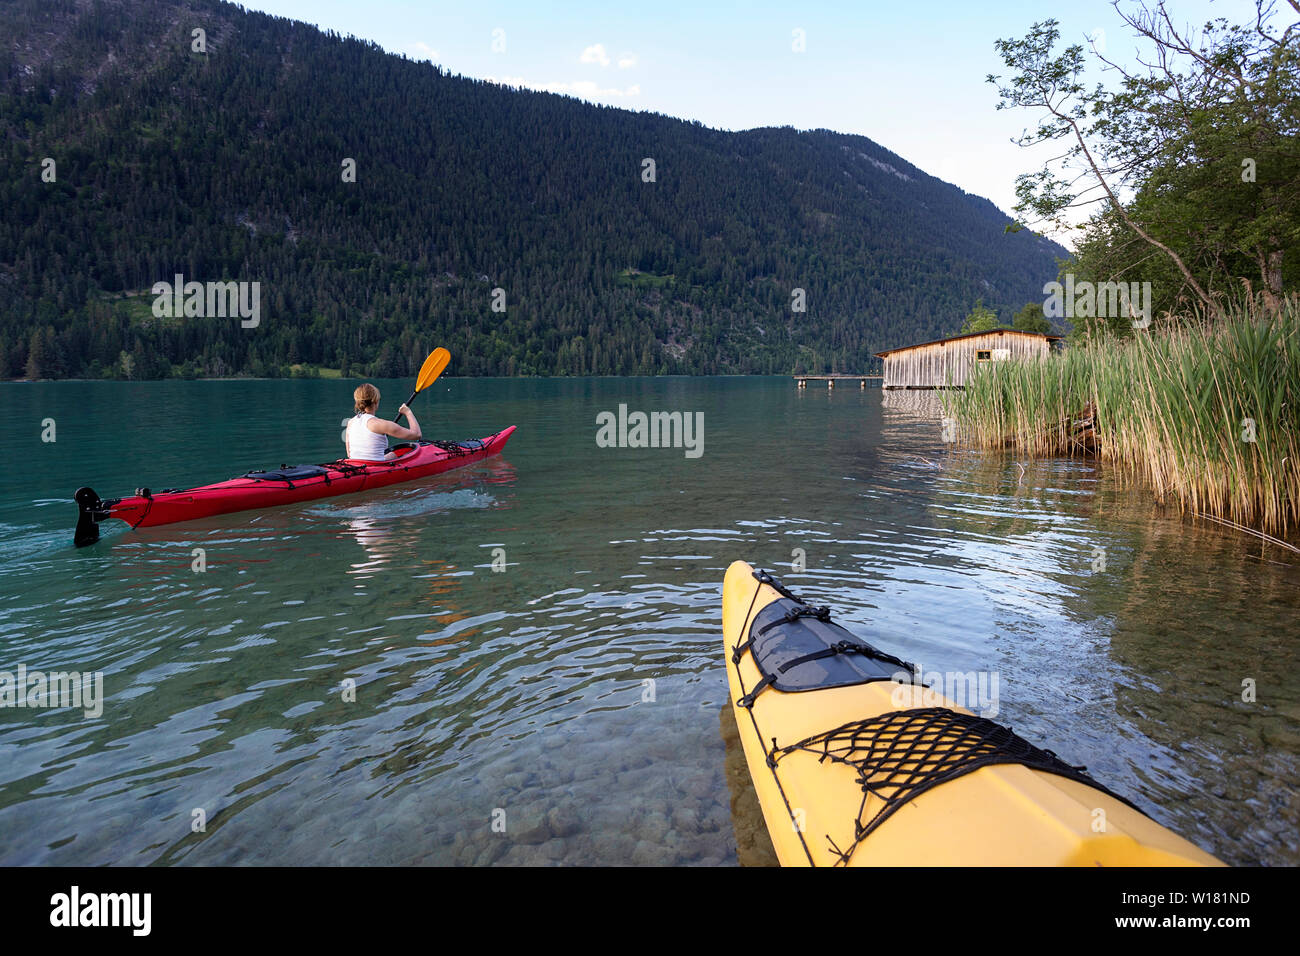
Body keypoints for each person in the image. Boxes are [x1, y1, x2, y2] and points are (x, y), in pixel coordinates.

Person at [345, 383, 421, 461]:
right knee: (400, 453)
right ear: (376, 401)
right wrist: (408, 412)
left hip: (356, 464)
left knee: (393, 454)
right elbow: (417, 434)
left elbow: (349, 454)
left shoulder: (350, 423)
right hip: (376, 466)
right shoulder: (381, 425)